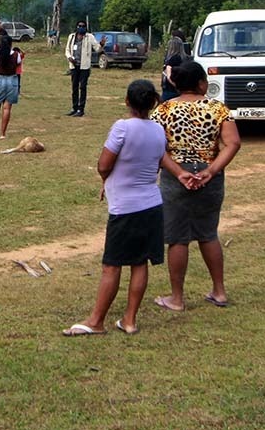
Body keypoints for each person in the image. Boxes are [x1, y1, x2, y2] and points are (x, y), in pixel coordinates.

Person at [63, 80, 192, 336]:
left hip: (126, 209)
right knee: (139, 263)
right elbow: (158, 160)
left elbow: (103, 164)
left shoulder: (122, 128)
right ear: (152, 103)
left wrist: (106, 179)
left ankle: (96, 321)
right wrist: (180, 174)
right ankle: (129, 320)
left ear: (127, 101)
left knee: (112, 265)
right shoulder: (157, 130)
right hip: (152, 205)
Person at [150, 61, 241, 311]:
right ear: (203, 83)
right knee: (208, 233)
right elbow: (233, 143)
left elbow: (157, 149)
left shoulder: (163, 111)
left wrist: (180, 172)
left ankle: (177, 298)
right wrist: (210, 170)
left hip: (174, 176)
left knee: (177, 238)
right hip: (209, 176)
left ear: (176, 83)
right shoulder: (219, 109)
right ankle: (219, 291)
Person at [0, 38, 23, 140]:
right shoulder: (16, 54)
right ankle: (2, 134)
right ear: (11, 44)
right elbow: (19, 63)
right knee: (7, 108)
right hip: (12, 80)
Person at [65, 20, 102, 117]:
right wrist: (69, 57)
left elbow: (97, 49)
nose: (81, 28)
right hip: (74, 65)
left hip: (84, 67)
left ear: (86, 27)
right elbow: (67, 50)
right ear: (76, 27)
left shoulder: (89, 37)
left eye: (83, 26)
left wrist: (102, 44)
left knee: (83, 87)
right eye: (79, 26)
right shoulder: (72, 36)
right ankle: (74, 107)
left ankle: (81, 109)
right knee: (74, 87)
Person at [161, 33, 187, 102]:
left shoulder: (172, 59)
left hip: (170, 90)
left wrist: (176, 86)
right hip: (182, 89)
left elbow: (169, 76)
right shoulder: (185, 58)